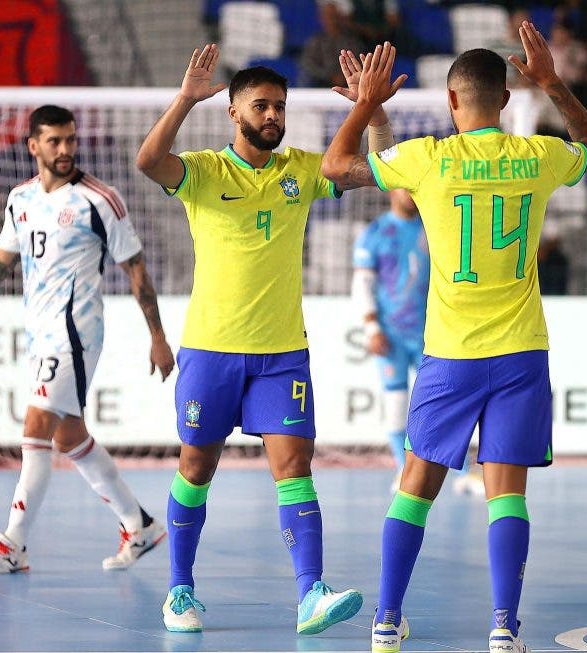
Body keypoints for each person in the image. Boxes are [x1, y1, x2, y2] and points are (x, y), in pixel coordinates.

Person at [322, 27, 587, 653]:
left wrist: (368, 105)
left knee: (416, 485)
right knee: (507, 493)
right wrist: (553, 82)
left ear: (451, 103)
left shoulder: (429, 158)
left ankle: (386, 620)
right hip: (520, 352)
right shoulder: (537, 156)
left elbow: (335, 170)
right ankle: (504, 626)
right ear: (506, 100)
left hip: (450, 354)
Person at [135, 44, 395, 635]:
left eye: (280, 107)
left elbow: (383, 170)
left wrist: (373, 113)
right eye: (262, 106)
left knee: (295, 466)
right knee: (197, 467)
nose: (273, 116)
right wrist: (183, 99)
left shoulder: (303, 169)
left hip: (281, 354)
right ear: (233, 112)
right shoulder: (202, 171)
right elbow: (149, 161)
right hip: (211, 350)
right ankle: (179, 591)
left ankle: (311, 594)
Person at [0, 105, 174, 574]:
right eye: (54, 141)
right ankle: (139, 524)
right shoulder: (20, 199)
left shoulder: (100, 200)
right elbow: (1, 264)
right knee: (69, 436)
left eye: (70, 140)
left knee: (35, 425)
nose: (64, 150)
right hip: (39, 333)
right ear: (33, 146)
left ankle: (13, 544)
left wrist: (157, 337)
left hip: (76, 333)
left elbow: (136, 267)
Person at [351, 190, 484, 494]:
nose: (409, 193)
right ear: (390, 190)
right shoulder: (374, 234)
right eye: (402, 186)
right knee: (396, 404)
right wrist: (372, 328)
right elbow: (362, 284)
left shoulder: (435, 228)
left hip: (434, 335)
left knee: (444, 404)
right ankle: (402, 469)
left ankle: (464, 472)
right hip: (392, 337)